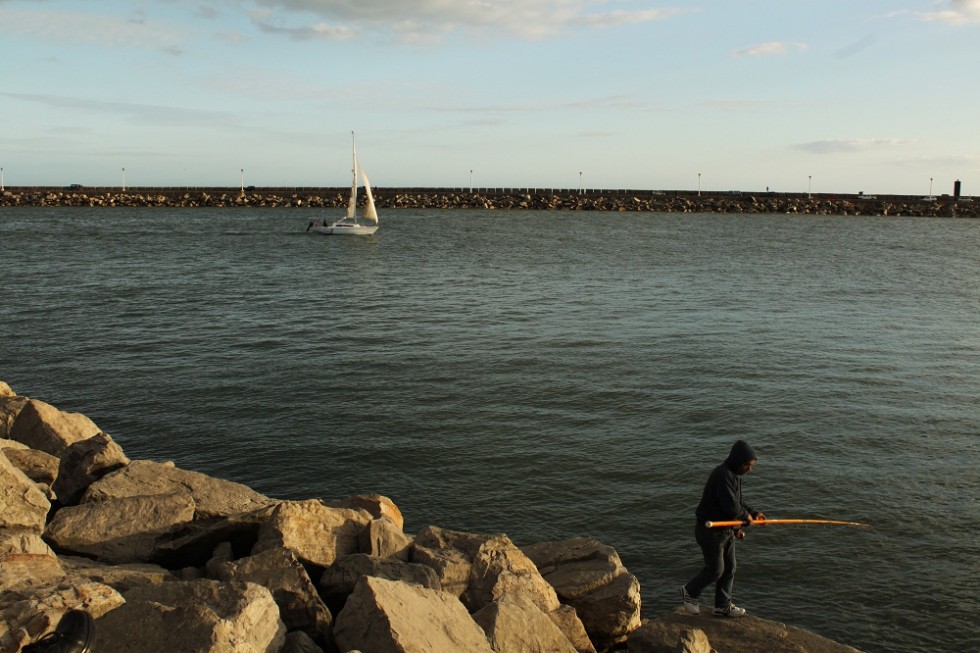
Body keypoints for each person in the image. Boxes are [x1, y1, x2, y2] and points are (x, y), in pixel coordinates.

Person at [680, 440, 765, 617]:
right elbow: (731, 507)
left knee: (730, 568)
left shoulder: (734, 476)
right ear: (739, 461)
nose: (750, 469)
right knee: (715, 569)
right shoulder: (722, 475)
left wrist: (752, 514)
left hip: (725, 530)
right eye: (748, 465)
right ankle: (690, 592)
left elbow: (738, 503)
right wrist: (746, 518)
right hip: (710, 532)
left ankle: (722, 606)